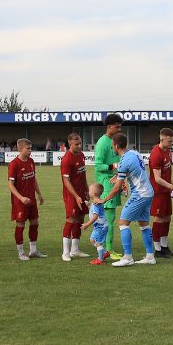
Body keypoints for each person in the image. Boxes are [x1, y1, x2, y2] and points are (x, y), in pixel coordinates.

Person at [98, 133, 157, 267]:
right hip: (148, 192)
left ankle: (128, 257)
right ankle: (150, 256)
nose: (112, 147)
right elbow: (129, 167)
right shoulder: (134, 153)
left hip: (140, 194)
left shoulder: (125, 160)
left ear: (116, 145)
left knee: (123, 223)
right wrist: (119, 175)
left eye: (113, 145)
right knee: (144, 224)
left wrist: (104, 199)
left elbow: (117, 188)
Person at [149, 128, 173, 258]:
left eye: (172, 141)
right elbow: (157, 178)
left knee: (167, 217)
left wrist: (172, 187)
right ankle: (157, 249)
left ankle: (164, 247)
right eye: (169, 141)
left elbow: (167, 173)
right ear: (162, 139)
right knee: (159, 218)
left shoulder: (167, 151)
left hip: (166, 191)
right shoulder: (156, 154)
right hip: (158, 192)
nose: (172, 143)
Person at [93, 113, 124, 259]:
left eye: (120, 126)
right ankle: (109, 251)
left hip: (115, 182)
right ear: (109, 126)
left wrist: (119, 176)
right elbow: (98, 166)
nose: (119, 129)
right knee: (109, 220)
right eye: (117, 127)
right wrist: (114, 166)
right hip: (106, 184)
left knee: (109, 219)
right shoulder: (102, 143)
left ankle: (106, 249)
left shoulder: (116, 141)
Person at [8, 138, 45, 260]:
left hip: (31, 200)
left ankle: (33, 251)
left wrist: (39, 194)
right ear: (20, 149)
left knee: (35, 223)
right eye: (28, 149)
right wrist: (21, 198)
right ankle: (21, 253)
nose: (30, 151)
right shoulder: (14, 164)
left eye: (31, 148)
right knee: (20, 225)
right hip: (20, 202)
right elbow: (10, 185)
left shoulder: (31, 161)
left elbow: (33, 179)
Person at [59, 132, 91, 261]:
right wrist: (76, 196)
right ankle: (65, 252)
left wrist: (87, 189)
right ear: (70, 143)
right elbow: (66, 181)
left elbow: (82, 175)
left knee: (80, 218)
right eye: (76, 144)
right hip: (72, 195)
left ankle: (75, 249)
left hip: (82, 192)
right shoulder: (67, 159)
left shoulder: (82, 155)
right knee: (71, 220)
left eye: (80, 143)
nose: (79, 146)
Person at [83, 183, 109, 266]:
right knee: (92, 240)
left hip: (101, 227)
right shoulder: (96, 203)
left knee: (98, 242)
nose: (88, 192)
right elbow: (95, 211)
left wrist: (87, 224)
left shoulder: (96, 204)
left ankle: (100, 259)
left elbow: (95, 216)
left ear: (94, 193)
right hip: (98, 226)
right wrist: (89, 206)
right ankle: (104, 253)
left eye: (89, 190)